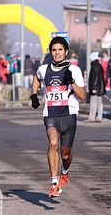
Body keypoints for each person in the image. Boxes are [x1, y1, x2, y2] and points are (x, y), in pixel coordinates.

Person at [30, 36, 86, 198]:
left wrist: (72, 83)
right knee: (52, 143)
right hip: (51, 115)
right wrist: (34, 95)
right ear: (50, 52)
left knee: (66, 155)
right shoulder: (44, 69)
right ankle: (54, 183)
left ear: (66, 51)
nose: (57, 53)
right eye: (54, 50)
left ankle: (65, 171)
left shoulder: (74, 70)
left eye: (60, 50)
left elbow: (82, 96)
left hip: (69, 116)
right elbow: (36, 77)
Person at [84, 52, 106, 123]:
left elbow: (95, 78)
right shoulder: (99, 65)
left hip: (96, 88)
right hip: (100, 87)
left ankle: (92, 117)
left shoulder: (94, 66)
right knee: (99, 103)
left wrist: (94, 88)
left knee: (93, 102)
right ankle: (99, 117)